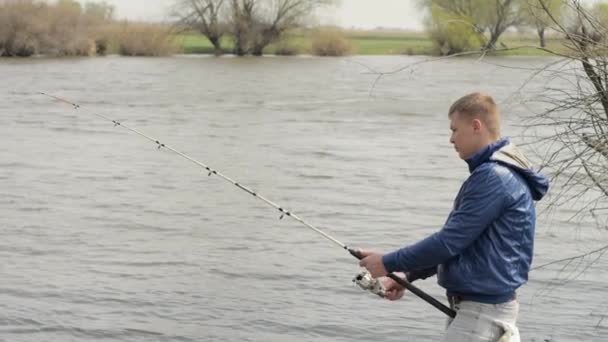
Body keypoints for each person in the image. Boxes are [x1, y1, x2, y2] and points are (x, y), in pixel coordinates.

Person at [358, 92, 549, 342]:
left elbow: (449, 242)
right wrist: (407, 274)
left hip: (481, 316)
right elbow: (460, 244)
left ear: (476, 126)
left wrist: (389, 262)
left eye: (454, 129)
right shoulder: (495, 174)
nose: (451, 139)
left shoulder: (493, 178)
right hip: (479, 312)